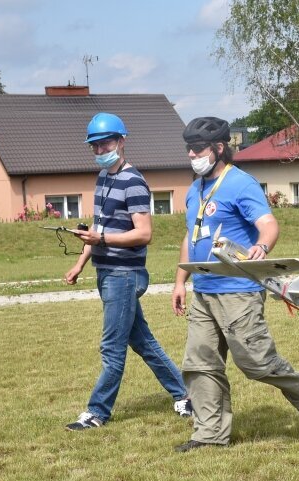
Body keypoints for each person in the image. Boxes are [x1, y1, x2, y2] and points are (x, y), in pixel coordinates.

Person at [171, 116, 299, 452]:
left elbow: (268, 224)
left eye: (197, 149)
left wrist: (262, 246)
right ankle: (210, 435)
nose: (191, 155)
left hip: (238, 292)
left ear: (218, 147)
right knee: (200, 364)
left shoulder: (240, 183)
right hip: (204, 292)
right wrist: (180, 281)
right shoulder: (194, 189)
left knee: (256, 363)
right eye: (188, 149)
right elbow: (192, 235)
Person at [64, 112, 192, 430]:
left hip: (124, 275)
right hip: (106, 272)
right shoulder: (104, 178)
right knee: (144, 342)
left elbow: (144, 233)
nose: (98, 150)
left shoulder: (134, 182)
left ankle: (97, 412)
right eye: (93, 146)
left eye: (104, 143)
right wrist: (81, 261)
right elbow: (98, 226)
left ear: (121, 142)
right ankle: (186, 395)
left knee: (111, 347)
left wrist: (102, 238)